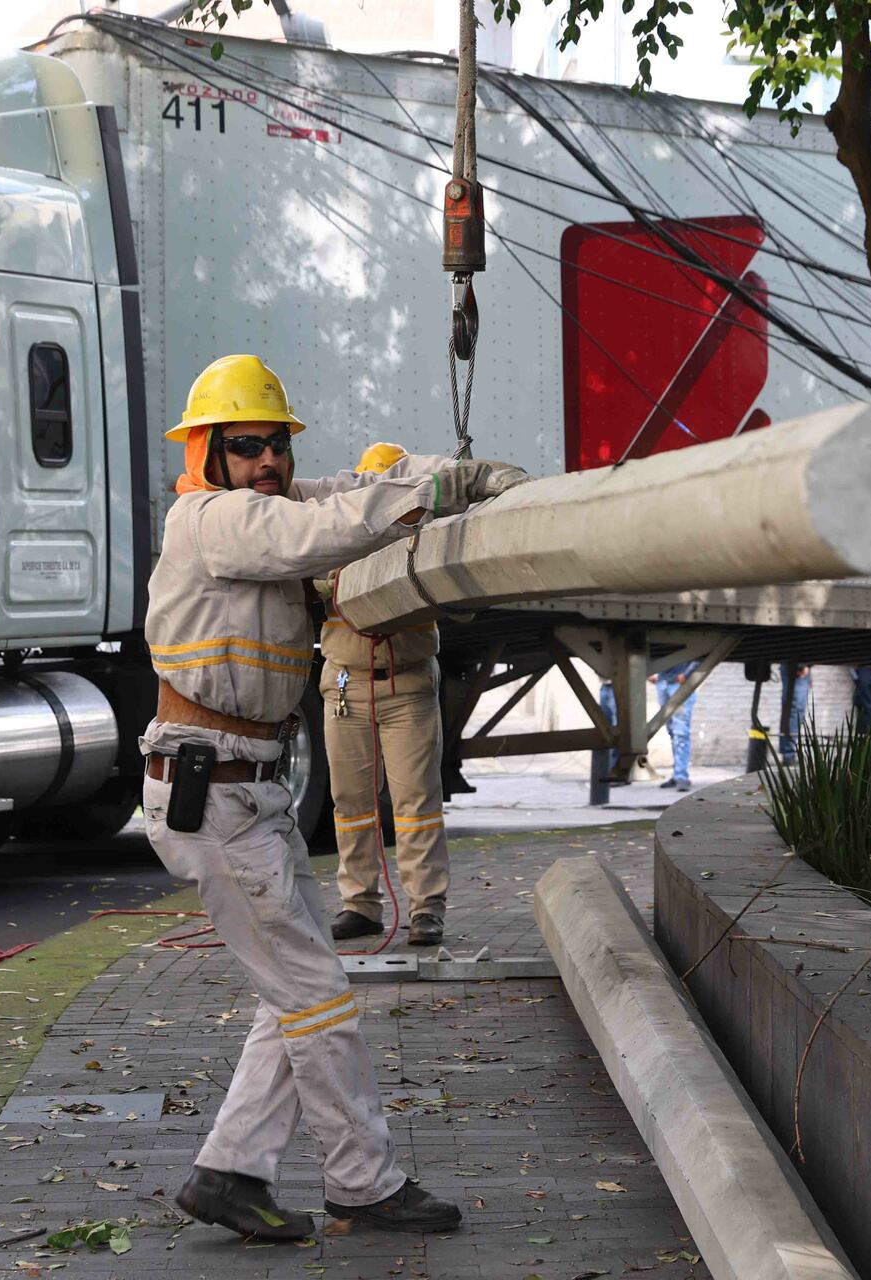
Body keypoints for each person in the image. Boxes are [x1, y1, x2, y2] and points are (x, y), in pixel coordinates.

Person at [142, 355, 527, 1240]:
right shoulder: (210, 520)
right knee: (317, 993)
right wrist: (410, 506)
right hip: (216, 798)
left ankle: (229, 1172)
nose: (268, 461)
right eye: (246, 447)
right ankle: (364, 1181)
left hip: (247, 795)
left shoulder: (270, 500)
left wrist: (460, 479)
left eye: (276, 444)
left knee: (299, 989)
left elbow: (358, 485)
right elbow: (325, 531)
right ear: (207, 454)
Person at [323, 443, 451, 948]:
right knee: (350, 802)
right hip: (347, 687)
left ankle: (426, 909)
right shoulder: (335, 542)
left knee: (416, 803)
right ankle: (360, 905)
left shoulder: (425, 542)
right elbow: (308, 583)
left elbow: (457, 603)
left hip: (408, 687)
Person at [654, 660, 699, 791]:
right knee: (672, 732)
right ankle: (677, 774)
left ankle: (682, 776)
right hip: (663, 684)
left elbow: (701, 656)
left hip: (679, 685)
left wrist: (687, 673)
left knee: (681, 732)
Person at [779, 662, 812, 763]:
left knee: (792, 709)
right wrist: (801, 666)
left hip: (797, 665)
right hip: (797, 665)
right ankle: (788, 754)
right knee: (794, 710)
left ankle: (788, 753)